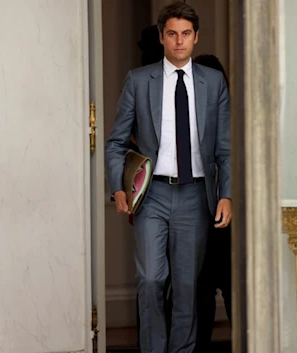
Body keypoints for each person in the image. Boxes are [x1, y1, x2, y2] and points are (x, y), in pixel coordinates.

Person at [105, 2, 232, 353]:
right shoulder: (138, 80)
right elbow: (115, 142)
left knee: (188, 287)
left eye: (186, 34)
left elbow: (225, 148)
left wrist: (227, 194)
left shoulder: (213, 82)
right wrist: (117, 187)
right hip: (153, 196)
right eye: (172, 34)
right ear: (162, 37)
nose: (179, 42)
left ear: (196, 38)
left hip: (196, 195)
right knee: (150, 280)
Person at [192, 54, 233, 353]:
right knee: (200, 298)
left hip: (225, 224)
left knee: (229, 294)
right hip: (200, 221)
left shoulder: (233, 121)